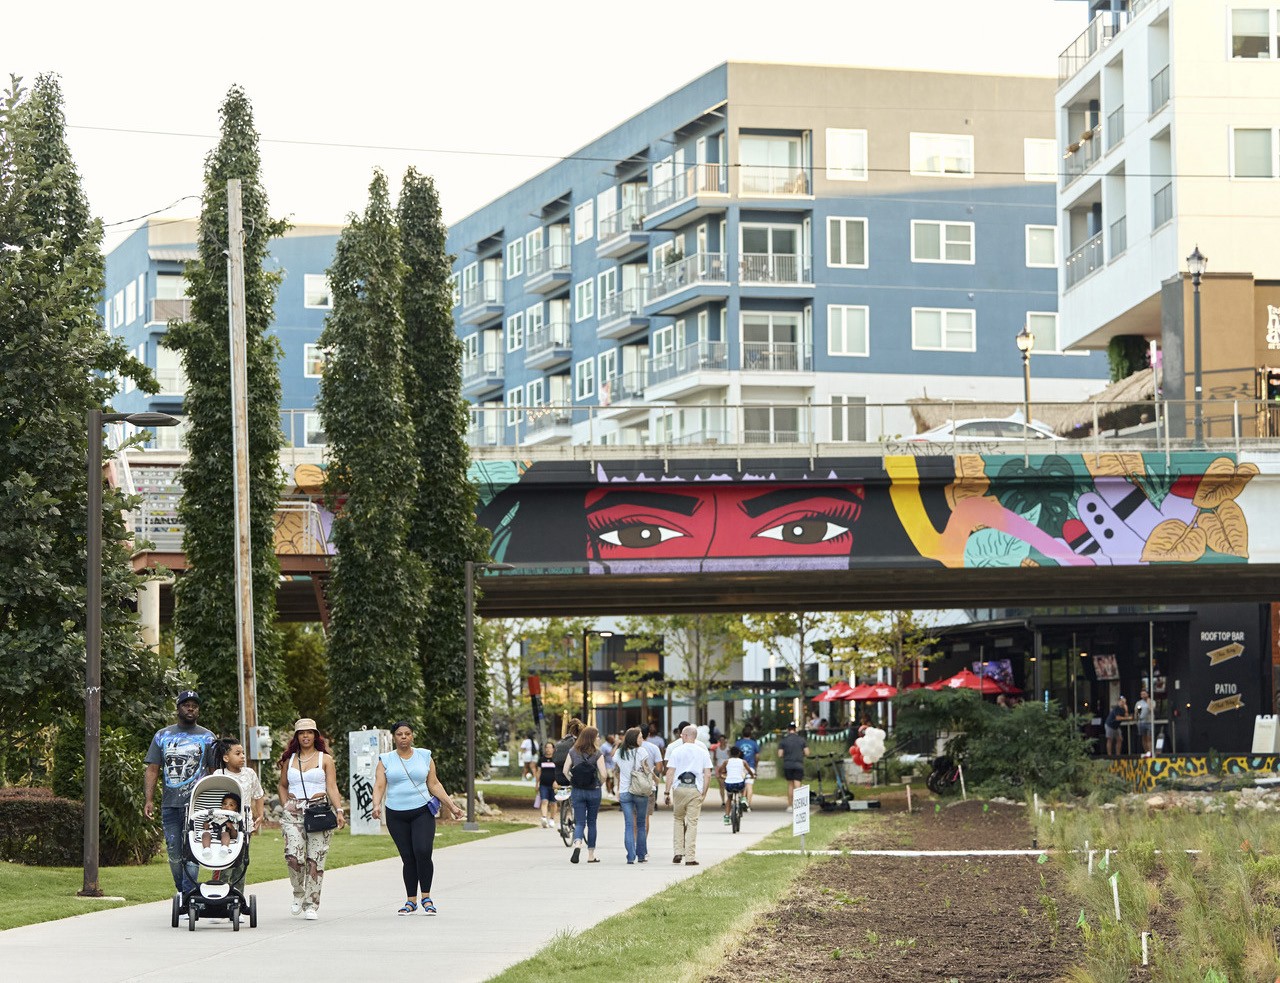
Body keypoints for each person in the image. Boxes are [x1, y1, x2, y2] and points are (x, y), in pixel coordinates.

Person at [372, 720, 464, 916]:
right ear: (394, 737)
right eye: (399, 734)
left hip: (422, 811)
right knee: (408, 857)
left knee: (422, 851)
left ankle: (427, 898)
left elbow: (434, 784)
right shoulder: (385, 759)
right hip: (396, 814)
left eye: (407, 733)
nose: (403, 737)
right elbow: (379, 785)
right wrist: (376, 805)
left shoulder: (424, 756)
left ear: (412, 736)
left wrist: (452, 806)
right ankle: (411, 901)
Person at [143, 690, 217, 904]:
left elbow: (214, 772)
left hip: (197, 807)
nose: (190, 708)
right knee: (175, 855)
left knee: (192, 853)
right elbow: (152, 769)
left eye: (195, 705)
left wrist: (215, 802)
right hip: (170, 805)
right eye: (186, 705)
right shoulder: (162, 736)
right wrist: (149, 800)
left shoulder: (208, 737)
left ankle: (188, 897)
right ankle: (184, 892)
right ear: (178, 708)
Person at [278, 718, 346, 920]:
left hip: (318, 810)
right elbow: (282, 785)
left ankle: (311, 903)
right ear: (297, 737)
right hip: (294, 811)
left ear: (315, 735)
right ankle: (298, 892)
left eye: (309, 732)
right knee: (293, 857)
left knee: (315, 859)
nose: (305, 736)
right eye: (301, 733)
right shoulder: (290, 759)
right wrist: (285, 804)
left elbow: (331, 786)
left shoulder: (325, 759)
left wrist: (339, 810)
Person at [664, 724, 713, 866]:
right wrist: (704, 792)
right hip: (695, 789)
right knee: (692, 823)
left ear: (685, 736)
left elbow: (670, 772)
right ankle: (690, 857)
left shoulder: (676, 751)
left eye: (682, 735)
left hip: (679, 788)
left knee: (678, 819)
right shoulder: (703, 752)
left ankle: (678, 851)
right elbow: (708, 774)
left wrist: (667, 792)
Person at [562, 725, 607, 864]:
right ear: (592, 738)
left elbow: (565, 770)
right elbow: (604, 774)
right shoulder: (598, 753)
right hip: (593, 791)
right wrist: (599, 784)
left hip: (578, 791)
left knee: (580, 822)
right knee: (592, 822)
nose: (599, 738)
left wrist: (573, 781)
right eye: (597, 736)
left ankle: (577, 844)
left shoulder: (572, 751)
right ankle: (591, 855)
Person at [613, 727, 652, 864]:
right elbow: (646, 768)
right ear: (634, 739)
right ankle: (641, 855)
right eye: (640, 737)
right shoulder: (641, 751)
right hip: (640, 790)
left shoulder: (619, 752)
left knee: (629, 825)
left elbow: (617, 770)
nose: (642, 739)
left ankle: (630, 856)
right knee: (641, 824)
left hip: (625, 791)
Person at [777, 722, 810, 811]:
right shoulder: (801, 740)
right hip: (798, 764)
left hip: (788, 764)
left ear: (788, 730)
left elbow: (780, 754)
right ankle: (798, 806)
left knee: (790, 785)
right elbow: (807, 753)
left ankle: (790, 805)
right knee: (797, 785)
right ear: (795, 729)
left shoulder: (784, 741)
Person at [717, 746, 755, 823]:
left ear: (729, 754)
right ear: (739, 753)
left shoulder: (726, 762)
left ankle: (727, 817)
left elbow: (720, 770)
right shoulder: (743, 762)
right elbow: (749, 771)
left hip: (729, 784)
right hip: (739, 783)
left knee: (729, 798)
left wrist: (722, 775)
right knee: (744, 786)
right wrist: (752, 776)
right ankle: (743, 798)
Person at [200, 792, 242, 858]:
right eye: (224, 804)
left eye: (231, 805)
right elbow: (206, 822)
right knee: (205, 834)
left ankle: (224, 848)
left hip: (223, 833)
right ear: (221, 805)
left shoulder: (234, 819)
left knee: (225, 834)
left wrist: (232, 828)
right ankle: (206, 849)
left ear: (236, 809)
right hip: (211, 832)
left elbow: (234, 836)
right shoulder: (215, 813)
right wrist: (206, 825)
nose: (227, 806)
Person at [642, 727, 665, 830]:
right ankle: (643, 840)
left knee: (634, 818)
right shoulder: (654, 747)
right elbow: (659, 768)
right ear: (648, 734)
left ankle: (635, 839)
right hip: (649, 783)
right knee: (646, 817)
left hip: (633, 785)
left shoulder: (631, 748)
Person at [734, 727, 760, 809]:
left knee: (741, 785)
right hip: (750, 766)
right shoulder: (754, 743)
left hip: (740, 766)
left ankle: (742, 801)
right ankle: (748, 805)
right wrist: (756, 765)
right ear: (750, 734)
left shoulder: (738, 743)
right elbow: (757, 756)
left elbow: (734, 754)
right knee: (749, 785)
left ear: (742, 734)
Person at [537, 740, 558, 828]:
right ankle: (544, 818)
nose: (548, 749)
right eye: (546, 747)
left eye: (550, 747)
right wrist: (537, 783)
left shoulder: (556, 759)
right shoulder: (541, 759)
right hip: (543, 784)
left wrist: (557, 781)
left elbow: (559, 772)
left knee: (553, 803)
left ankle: (552, 819)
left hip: (554, 785)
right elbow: (538, 772)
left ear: (553, 749)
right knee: (544, 801)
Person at [1134, 689, 1154, 757]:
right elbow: (1137, 712)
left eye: (1144, 694)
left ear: (1147, 694)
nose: (1143, 695)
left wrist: (1148, 703)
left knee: (1149, 737)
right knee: (1144, 737)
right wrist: (1136, 720)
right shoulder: (1139, 703)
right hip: (1141, 722)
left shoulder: (1152, 701)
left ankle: (1151, 752)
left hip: (1149, 722)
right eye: (1141, 694)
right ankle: (1146, 752)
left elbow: (1152, 710)